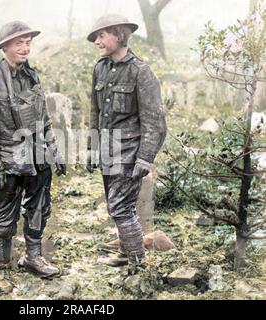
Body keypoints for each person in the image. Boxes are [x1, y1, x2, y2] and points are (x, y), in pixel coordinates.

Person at [0, 21, 66, 293]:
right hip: (9, 163)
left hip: (38, 159)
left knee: (39, 210)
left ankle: (33, 257)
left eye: (28, 42)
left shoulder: (32, 77)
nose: (25, 47)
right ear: (5, 48)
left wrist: (54, 152)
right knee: (4, 218)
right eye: (18, 43)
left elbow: (44, 119)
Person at [86, 14, 167, 274]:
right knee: (122, 204)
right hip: (107, 150)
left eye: (102, 35)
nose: (97, 41)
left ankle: (138, 262)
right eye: (96, 36)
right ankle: (125, 250)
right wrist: (92, 146)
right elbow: (94, 112)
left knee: (119, 206)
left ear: (119, 35)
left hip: (130, 152)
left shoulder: (141, 73)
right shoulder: (100, 68)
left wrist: (145, 158)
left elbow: (155, 122)